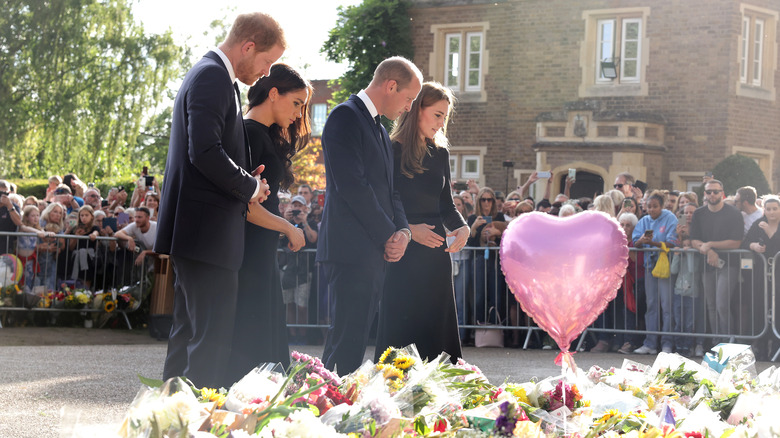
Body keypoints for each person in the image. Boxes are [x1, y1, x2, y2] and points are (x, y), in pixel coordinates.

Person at [155, 12, 284, 388]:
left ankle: (171, 418)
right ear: (248, 46)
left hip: (199, 233)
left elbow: (209, 152)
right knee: (210, 342)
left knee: (188, 337)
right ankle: (193, 424)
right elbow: (205, 151)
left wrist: (248, 178)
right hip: (206, 234)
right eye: (267, 61)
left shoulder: (213, 75)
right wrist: (249, 187)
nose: (266, 72)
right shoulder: (213, 75)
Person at [317, 56, 422, 374]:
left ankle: (336, 408)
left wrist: (403, 231)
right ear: (391, 86)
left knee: (355, 340)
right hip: (350, 250)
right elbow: (353, 187)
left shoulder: (378, 129)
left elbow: (391, 191)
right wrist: (387, 233)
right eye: (408, 99)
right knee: (344, 341)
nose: (407, 108)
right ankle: (325, 410)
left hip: (372, 252)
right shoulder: (344, 117)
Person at [225, 63, 310, 381]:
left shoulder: (263, 134)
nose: (299, 113)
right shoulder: (246, 133)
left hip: (262, 249)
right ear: (274, 93)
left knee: (266, 329)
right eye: (296, 103)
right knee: (253, 331)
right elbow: (246, 205)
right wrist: (288, 227)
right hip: (249, 248)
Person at [374, 82, 469, 363]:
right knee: (401, 326)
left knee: (437, 327)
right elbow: (384, 201)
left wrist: (462, 226)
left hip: (436, 257)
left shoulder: (441, 154)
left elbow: (446, 205)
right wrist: (409, 231)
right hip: (404, 251)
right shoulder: (390, 149)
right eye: (437, 114)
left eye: (445, 117)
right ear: (417, 110)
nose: (441, 123)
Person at [690, 179, 744, 341]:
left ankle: (728, 342)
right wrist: (709, 251)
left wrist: (710, 245)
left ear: (722, 193)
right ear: (704, 194)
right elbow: (694, 240)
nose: (712, 194)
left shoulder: (734, 213)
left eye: (715, 191)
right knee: (712, 306)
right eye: (708, 192)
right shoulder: (699, 213)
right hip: (706, 265)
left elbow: (736, 242)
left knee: (722, 305)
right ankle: (716, 342)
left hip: (729, 264)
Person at [632, 190, 678, 354]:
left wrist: (654, 243)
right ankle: (650, 343)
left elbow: (672, 243)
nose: (651, 210)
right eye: (649, 207)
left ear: (662, 206)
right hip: (649, 266)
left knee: (667, 306)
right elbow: (635, 243)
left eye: (655, 207)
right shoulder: (644, 220)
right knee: (651, 305)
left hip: (665, 267)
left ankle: (667, 342)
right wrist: (642, 241)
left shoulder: (670, 218)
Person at [742, 195, 780, 360]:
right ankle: (762, 349)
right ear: (764, 210)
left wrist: (771, 232)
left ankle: (776, 349)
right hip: (762, 274)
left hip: (778, 273)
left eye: (775, 209)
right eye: (768, 209)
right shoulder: (758, 224)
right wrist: (754, 246)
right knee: (761, 309)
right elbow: (745, 243)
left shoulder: (771, 226)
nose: (771, 212)